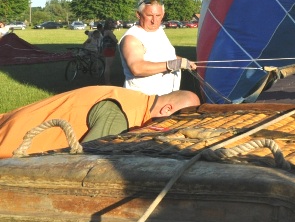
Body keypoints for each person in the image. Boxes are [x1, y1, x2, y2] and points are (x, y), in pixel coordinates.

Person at [0, 86, 200, 158]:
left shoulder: (132, 99)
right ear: (167, 110)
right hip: (8, 147)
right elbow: (87, 161)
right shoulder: (121, 114)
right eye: (174, 121)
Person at [120, 0, 197, 95]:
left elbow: (163, 56)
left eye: (158, 16)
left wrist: (183, 61)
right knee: (190, 99)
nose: (154, 21)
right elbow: (137, 68)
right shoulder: (132, 38)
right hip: (144, 100)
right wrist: (172, 65)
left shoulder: (158, 31)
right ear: (138, 14)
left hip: (165, 97)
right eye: (149, 15)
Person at [100, 18, 119, 85]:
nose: (113, 24)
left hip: (107, 49)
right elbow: (115, 40)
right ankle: (107, 82)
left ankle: (107, 80)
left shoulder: (105, 31)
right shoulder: (108, 32)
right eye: (111, 23)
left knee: (107, 65)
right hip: (109, 49)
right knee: (108, 66)